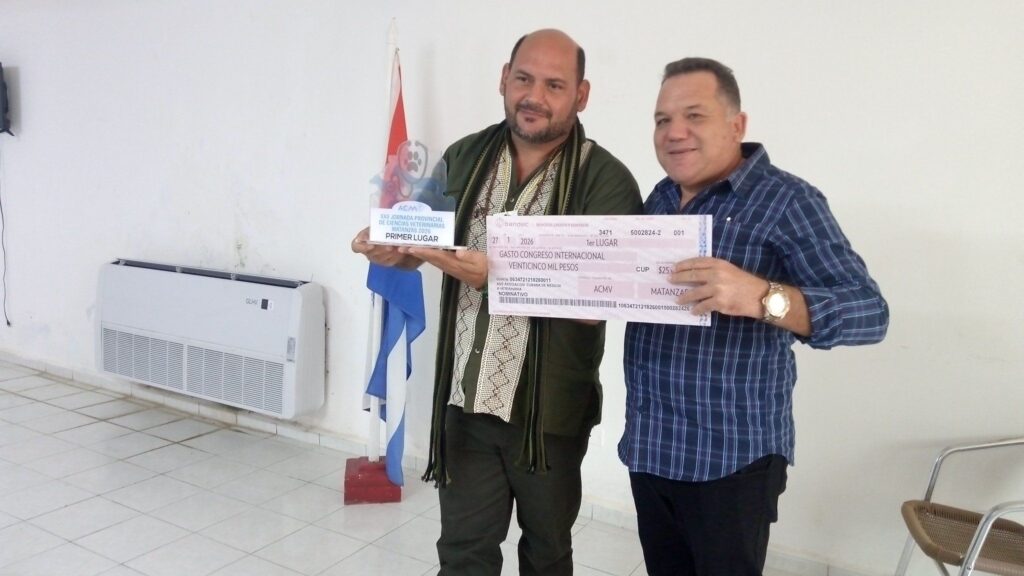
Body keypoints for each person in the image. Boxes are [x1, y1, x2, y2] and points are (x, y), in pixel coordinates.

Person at [353, 29, 642, 575]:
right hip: (465, 400)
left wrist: (498, 275)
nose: (535, 95)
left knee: (547, 554)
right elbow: (422, 241)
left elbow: (599, 297)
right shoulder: (466, 155)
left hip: (547, 416)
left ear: (581, 96)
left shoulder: (607, 181)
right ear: (504, 80)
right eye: (524, 78)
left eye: (554, 84)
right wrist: (390, 250)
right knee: (462, 555)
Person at [619, 57, 889, 576]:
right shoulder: (660, 198)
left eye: (694, 115)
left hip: (731, 462)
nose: (674, 133)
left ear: (737, 125)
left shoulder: (789, 201)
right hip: (651, 447)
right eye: (661, 120)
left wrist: (763, 297)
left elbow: (870, 312)